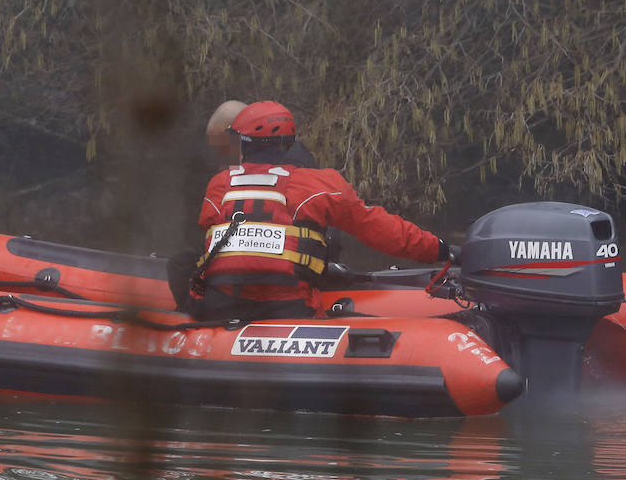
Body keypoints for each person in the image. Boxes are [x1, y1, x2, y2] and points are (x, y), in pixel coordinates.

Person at [180, 100, 458, 321]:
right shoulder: (319, 183)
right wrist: (440, 249)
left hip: (222, 306)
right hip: (290, 308)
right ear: (287, 143)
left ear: (243, 143)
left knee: (182, 263)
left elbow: (209, 234)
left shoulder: (218, 185)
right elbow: (380, 229)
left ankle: (192, 327)